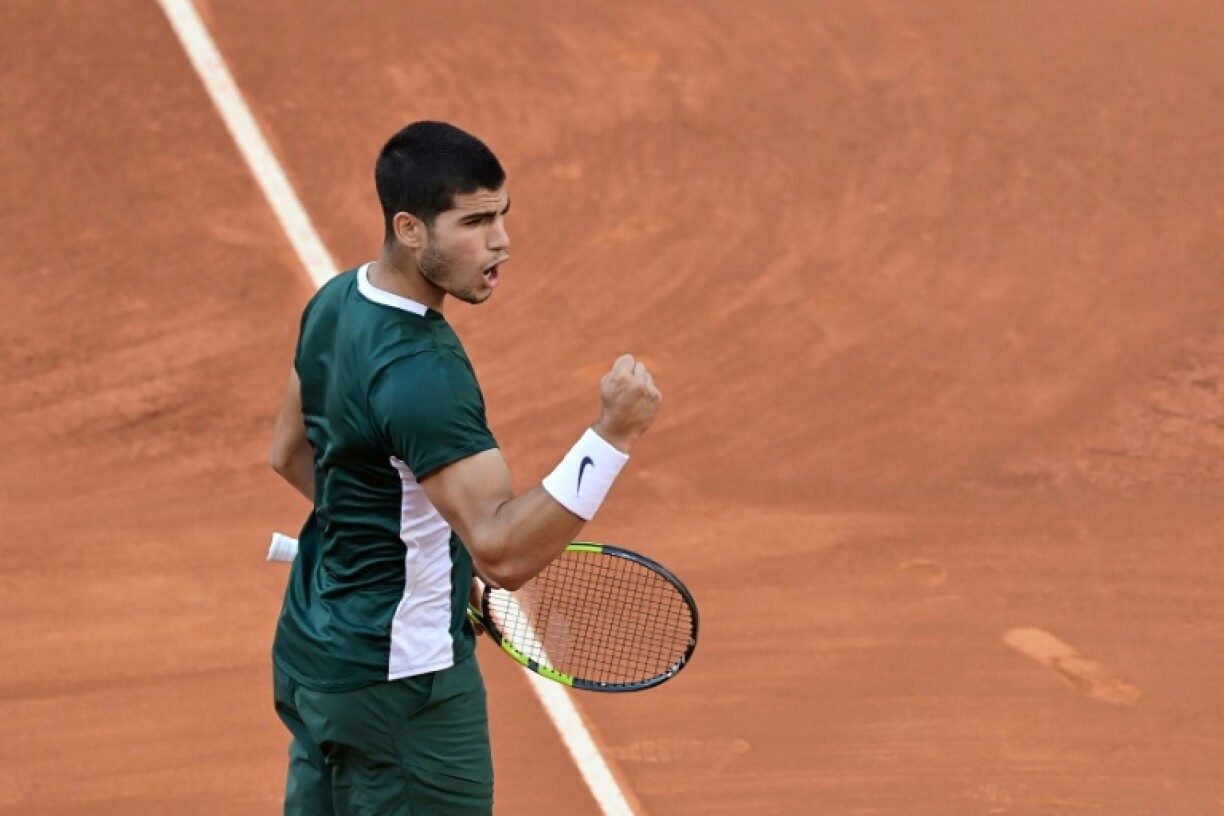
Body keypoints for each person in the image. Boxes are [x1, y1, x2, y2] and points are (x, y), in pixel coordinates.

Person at [267, 121, 662, 815]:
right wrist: (612, 435)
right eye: (475, 222)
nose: (500, 241)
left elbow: (291, 454)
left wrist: (416, 556)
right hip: (403, 691)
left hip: (313, 661)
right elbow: (503, 552)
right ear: (409, 229)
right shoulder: (425, 372)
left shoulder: (334, 301)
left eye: (501, 215)